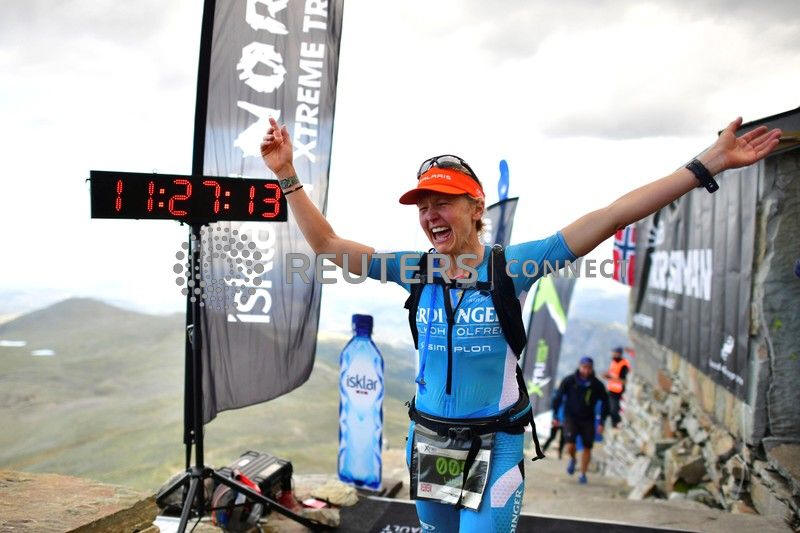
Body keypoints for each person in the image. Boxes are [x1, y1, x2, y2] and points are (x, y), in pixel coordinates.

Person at [260, 116, 780, 532]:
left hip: (495, 443)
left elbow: (613, 216)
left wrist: (705, 164)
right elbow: (327, 245)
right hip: (431, 440)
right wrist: (286, 173)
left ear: (476, 207)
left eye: (443, 202)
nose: (431, 214)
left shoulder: (514, 266)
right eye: (423, 206)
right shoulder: (413, 270)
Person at [551, 357, 609, 484]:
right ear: (579, 366)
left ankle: (583, 474)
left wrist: (602, 422)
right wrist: (555, 416)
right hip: (570, 417)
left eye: (589, 368)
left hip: (588, 419)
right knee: (570, 444)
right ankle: (573, 458)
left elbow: (605, 402)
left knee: (588, 446)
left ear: (592, 368)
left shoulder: (596, 384)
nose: (586, 370)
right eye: (584, 367)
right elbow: (558, 397)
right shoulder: (569, 380)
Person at [603, 346, 632, 428]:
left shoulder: (624, 365)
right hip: (611, 390)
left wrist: (611, 377)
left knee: (615, 410)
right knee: (609, 409)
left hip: (618, 392)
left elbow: (625, 381)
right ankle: (614, 426)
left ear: (619, 354)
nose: (613, 354)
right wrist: (607, 376)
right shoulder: (614, 362)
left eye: (615, 353)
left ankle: (617, 426)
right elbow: (613, 374)